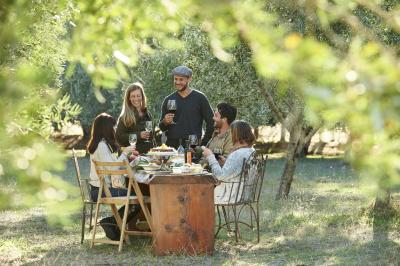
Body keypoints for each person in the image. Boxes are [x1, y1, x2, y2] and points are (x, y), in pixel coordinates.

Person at [87, 113, 141, 239]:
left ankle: (112, 224)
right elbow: (112, 168)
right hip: (101, 191)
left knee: (135, 196)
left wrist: (128, 158)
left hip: (101, 189)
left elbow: (112, 166)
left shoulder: (102, 145)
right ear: (106, 128)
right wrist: (125, 152)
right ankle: (111, 222)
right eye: (114, 126)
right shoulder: (101, 146)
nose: (115, 129)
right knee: (137, 199)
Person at [158, 65, 214, 148]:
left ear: (189, 79)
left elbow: (211, 122)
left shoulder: (200, 98)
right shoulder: (168, 99)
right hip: (172, 145)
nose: (177, 82)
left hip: (192, 145)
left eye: (181, 79)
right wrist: (165, 122)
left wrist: (204, 143)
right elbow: (161, 128)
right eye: (175, 79)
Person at [202, 120, 256, 203]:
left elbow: (220, 176)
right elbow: (239, 169)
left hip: (230, 195)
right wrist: (227, 162)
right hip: (245, 193)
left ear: (236, 135)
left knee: (198, 194)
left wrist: (210, 156)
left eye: (231, 133)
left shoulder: (237, 154)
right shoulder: (250, 150)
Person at [116, 82, 153, 154]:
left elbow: (151, 137)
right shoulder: (125, 117)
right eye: (133, 96)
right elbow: (119, 138)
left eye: (138, 95)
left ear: (142, 96)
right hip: (131, 157)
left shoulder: (147, 114)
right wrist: (139, 135)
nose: (136, 99)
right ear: (129, 98)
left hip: (147, 157)